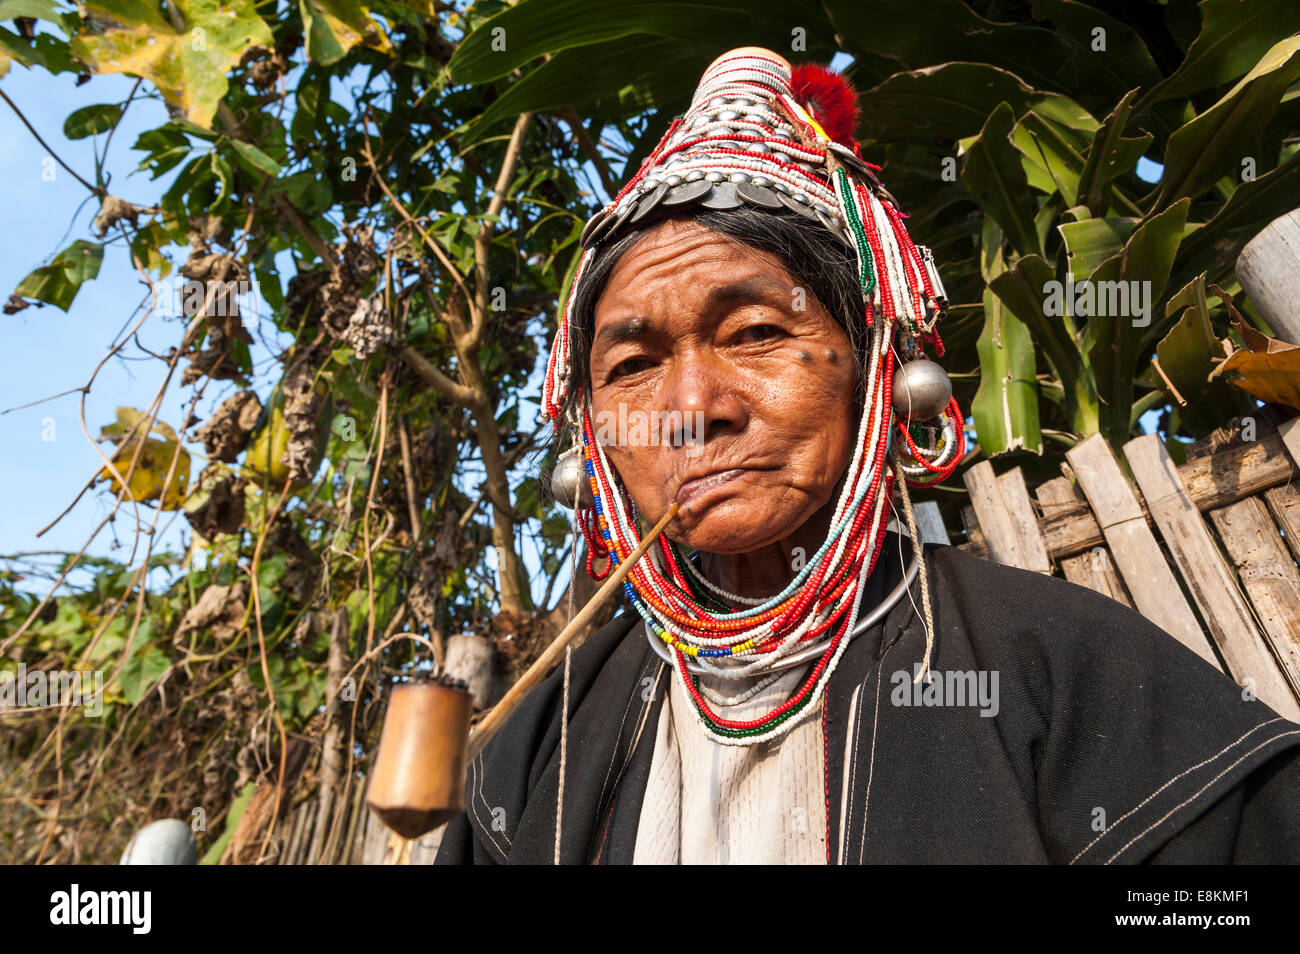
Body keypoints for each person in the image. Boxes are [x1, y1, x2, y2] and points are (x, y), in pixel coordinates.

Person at [434, 47, 1300, 865]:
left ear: (879, 370)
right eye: (632, 365)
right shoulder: (539, 741)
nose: (692, 410)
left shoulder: (1064, 670)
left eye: (756, 332)